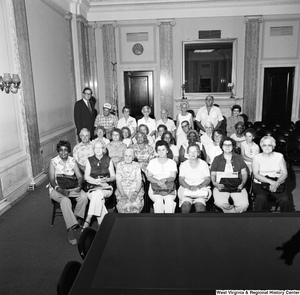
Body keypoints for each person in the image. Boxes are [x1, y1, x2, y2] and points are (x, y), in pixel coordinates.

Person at [48, 140, 88, 245]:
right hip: (57, 189)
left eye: (65, 150)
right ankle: (70, 230)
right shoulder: (53, 162)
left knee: (84, 197)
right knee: (65, 201)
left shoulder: (72, 161)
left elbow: (79, 176)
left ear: (69, 151)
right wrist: (59, 189)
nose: (63, 152)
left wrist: (79, 185)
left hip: (71, 187)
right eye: (60, 150)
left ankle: (74, 219)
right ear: (58, 151)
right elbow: (52, 180)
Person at [252, 136, 294, 212]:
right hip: (261, 183)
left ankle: (287, 220)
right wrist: (272, 182)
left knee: (284, 199)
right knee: (260, 197)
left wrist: (276, 183)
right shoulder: (256, 157)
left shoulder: (279, 156)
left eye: (269, 145)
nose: (267, 147)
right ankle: (257, 220)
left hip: (278, 182)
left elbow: (285, 173)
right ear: (261, 146)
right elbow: (256, 174)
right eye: (264, 145)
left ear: (273, 146)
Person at [210, 137, 249, 213]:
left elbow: (244, 173)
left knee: (244, 205)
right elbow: (213, 174)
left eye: (230, 145)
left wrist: (243, 183)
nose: (227, 147)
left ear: (233, 146)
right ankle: (231, 213)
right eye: (225, 145)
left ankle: (233, 216)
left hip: (237, 185)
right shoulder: (217, 159)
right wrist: (215, 184)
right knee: (220, 202)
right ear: (221, 146)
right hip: (221, 185)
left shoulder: (238, 158)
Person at [83, 141, 116, 229]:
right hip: (92, 187)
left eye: (100, 148)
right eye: (96, 148)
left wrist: (108, 179)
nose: (98, 150)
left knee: (97, 195)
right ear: (93, 149)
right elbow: (86, 176)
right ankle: (102, 226)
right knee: (98, 196)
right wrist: (96, 181)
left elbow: (113, 176)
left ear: (103, 149)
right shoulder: (89, 160)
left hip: (106, 187)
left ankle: (88, 219)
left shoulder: (108, 159)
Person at [178, 143, 211, 213]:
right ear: (187, 153)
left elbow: (207, 179)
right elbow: (181, 180)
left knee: (199, 205)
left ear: (198, 153)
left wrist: (199, 186)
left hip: (201, 188)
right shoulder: (184, 165)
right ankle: (184, 223)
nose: (193, 154)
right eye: (190, 152)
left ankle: (200, 223)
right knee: (186, 204)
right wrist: (189, 187)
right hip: (186, 188)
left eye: (195, 151)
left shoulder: (204, 164)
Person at [147, 140, 177, 213]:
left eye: (163, 150)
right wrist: (158, 182)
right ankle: (159, 222)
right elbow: (149, 177)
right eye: (159, 150)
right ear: (156, 151)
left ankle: (170, 221)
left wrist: (165, 180)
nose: (161, 152)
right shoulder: (152, 162)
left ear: (167, 150)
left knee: (169, 201)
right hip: (155, 186)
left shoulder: (172, 163)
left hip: (169, 186)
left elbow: (173, 177)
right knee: (159, 201)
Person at [115, 148, 144, 213]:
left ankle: (134, 222)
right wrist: (122, 194)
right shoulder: (119, 165)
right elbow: (118, 182)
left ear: (133, 157)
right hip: (122, 189)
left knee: (135, 205)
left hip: (135, 189)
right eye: (126, 155)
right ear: (123, 156)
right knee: (125, 206)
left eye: (130, 156)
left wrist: (135, 193)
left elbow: (139, 181)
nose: (127, 158)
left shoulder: (137, 165)